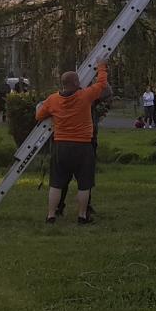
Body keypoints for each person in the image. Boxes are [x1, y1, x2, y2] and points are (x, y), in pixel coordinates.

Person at [34, 63, 109, 223]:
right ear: (75, 83)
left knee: (56, 183)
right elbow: (102, 84)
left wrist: (48, 110)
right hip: (83, 146)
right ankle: (82, 216)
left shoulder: (53, 100)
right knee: (84, 184)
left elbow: (39, 116)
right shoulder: (85, 96)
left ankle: (51, 215)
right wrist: (101, 66)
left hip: (61, 146)